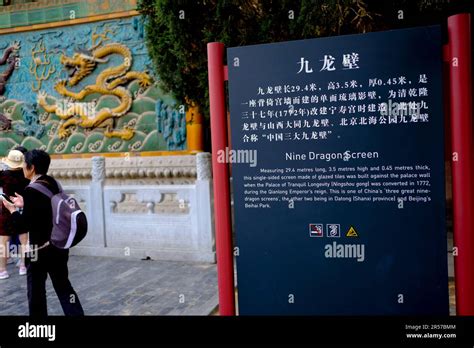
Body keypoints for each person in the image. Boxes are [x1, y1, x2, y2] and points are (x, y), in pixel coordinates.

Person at [2, 149, 84, 316]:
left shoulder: (31, 190)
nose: (22, 168)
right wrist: (24, 204)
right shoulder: (52, 183)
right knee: (63, 286)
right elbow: (45, 208)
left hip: (39, 250)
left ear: (31, 168)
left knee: (36, 291)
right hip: (59, 246)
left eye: (24, 165)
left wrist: (12, 210)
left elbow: (23, 225)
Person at [0, 149, 30, 279]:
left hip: (7, 209)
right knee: (24, 240)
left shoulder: (3, 175)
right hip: (22, 209)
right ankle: (23, 266)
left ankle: (2, 270)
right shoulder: (26, 175)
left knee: (3, 242)